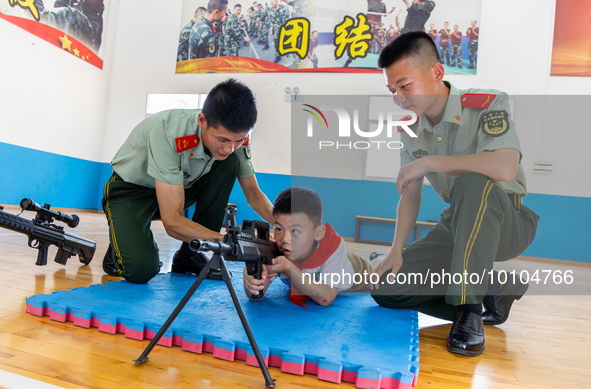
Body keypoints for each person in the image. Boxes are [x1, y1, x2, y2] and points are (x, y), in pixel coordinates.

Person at [371, 31, 539, 356]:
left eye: (405, 86)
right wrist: (395, 251)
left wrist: (432, 162)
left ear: (436, 72)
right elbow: (410, 194)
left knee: (473, 183)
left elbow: (505, 166)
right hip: (455, 224)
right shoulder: (411, 129)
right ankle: (491, 290)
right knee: (386, 287)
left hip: (507, 220)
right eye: (392, 90)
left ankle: (469, 309)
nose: (399, 98)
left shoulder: (487, 104)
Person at [102, 79, 274, 284]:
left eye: (239, 140)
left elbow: (253, 194)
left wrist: (285, 230)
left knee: (228, 164)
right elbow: (172, 222)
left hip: (176, 190)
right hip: (131, 192)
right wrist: (227, 241)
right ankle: (123, 235)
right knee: (142, 270)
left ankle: (188, 256)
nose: (230, 148)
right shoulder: (167, 132)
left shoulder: (233, 142)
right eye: (223, 140)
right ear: (202, 121)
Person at [243, 187, 386, 307]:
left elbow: (326, 298)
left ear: (318, 233)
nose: (285, 240)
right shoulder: (276, 249)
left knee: (376, 275)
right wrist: (251, 277)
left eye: (295, 231)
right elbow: (256, 295)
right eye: (279, 229)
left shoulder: (332, 247)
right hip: (324, 263)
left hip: (357, 272)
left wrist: (289, 268)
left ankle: (379, 258)